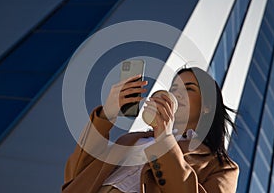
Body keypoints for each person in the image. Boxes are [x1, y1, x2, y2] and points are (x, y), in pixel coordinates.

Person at [62, 67, 239, 193]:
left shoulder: (223, 167)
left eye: (189, 89)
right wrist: (107, 115)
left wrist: (164, 139)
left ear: (207, 106)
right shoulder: (130, 140)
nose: (177, 93)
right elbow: (76, 173)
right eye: (174, 88)